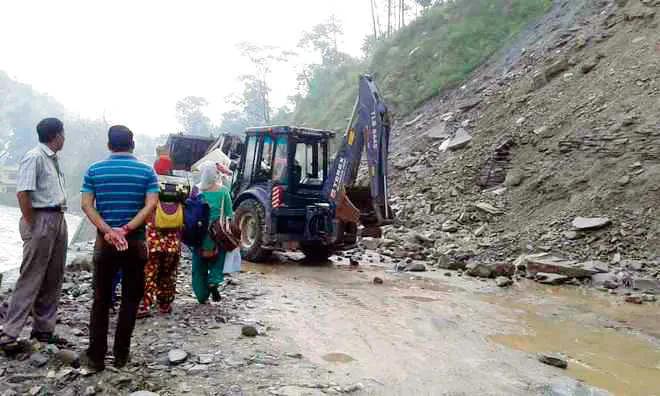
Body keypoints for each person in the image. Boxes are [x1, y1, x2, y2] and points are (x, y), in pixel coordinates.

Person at [80, 125, 159, 371]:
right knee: (130, 300)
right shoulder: (147, 172)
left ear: (109, 145)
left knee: (101, 300)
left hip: (105, 243)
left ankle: (96, 358)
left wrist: (109, 231)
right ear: (132, 144)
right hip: (134, 242)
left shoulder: (94, 170)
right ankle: (121, 355)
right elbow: (151, 206)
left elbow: (86, 205)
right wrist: (126, 229)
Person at [0, 118, 68, 354]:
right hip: (41, 218)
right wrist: (32, 224)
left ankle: (43, 330)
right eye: (62, 134)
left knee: (53, 276)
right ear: (56, 136)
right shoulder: (35, 157)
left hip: (58, 217)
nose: (64, 138)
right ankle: (9, 333)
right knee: (30, 276)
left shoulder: (52, 159)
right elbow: (23, 193)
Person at [137, 153, 183, 318]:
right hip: (173, 241)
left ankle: (145, 305)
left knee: (149, 272)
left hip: (153, 240)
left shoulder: (150, 184)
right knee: (168, 273)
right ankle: (164, 304)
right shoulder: (180, 186)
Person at [191, 161, 233, 304]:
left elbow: (189, 211)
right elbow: (229, 213)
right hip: (217, 233)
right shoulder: (223, 191)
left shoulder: (196, 191)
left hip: (198, 233)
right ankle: (214, 280)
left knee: (198, 265)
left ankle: (201, 295)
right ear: (216, 175)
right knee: (218, 259)